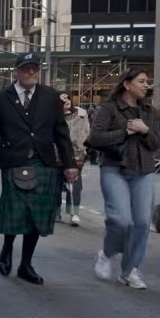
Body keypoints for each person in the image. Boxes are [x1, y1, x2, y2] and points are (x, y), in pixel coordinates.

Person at [0, 52, 76, 284]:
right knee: (16, 212)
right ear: (17, 71)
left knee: (37, 215)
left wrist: (69, 164)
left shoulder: (51, 97)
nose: (31, 72)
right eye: (26, 68)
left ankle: (26, 264)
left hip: (44, 162)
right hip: (14, 160)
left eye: (35, 68)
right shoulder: (0, 98)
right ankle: (7, 247)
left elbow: (61, 133)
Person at [88, 68, 160, 290]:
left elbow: (156, 143)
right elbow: (96, 138)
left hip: (144, 171)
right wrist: (126, 132)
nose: (146, 85)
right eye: (141, 81)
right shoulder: (109, 109)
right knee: (121, 219)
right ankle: (107, 253)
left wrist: (145, 130)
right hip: (115, 168)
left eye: (147, 81)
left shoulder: (150, 112)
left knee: (141, 223)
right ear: (127, 84)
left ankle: (130, 270)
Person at [59, 94, 91, 226]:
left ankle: (74, 213)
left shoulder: (82, 115)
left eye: (67, 98)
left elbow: (87, 132)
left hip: (76, 154)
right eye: (62, 99)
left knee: (75, 186)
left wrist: (84, 147)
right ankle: (55, 212)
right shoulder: (54, 116)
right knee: (56, 184)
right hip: (57, 153)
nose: (66, 101)